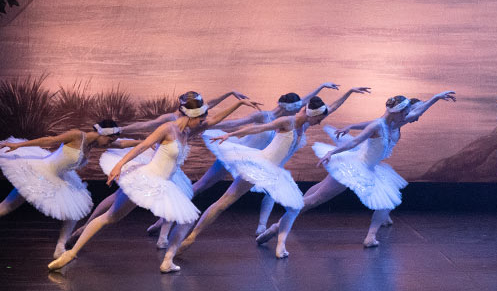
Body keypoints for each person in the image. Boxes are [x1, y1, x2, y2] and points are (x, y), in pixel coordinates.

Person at [47, 95, 261, 271]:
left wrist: (238, 103)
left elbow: (215, 121)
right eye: (201, 118)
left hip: (164, 184)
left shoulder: (189, 131)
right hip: (147, 178)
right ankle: (70, 254)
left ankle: (167, 261)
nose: (204, 122)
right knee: (111, 217)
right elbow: (142, 146)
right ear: (191, 116)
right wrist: (120, 164)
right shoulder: (168, 128)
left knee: (186, 219)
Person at [164, 88, 369, 268]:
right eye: (319, 119)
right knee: (224, 202)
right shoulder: (287, 122)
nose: (320, 123)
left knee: (294, 207)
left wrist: (349, 92)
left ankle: (277, 241)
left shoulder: (304, 125)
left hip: (274, 172)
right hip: (259, 166)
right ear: (311, 115)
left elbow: (331, 107)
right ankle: (191, 237)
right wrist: (229, 135)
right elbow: (258, 128)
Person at [256, 91, 455, 251]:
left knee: (386, 200)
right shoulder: (378, 125)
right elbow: (355, 142)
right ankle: (275, 228)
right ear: (397, 111)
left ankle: (371, 236)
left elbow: (417, 112)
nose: (409, 116)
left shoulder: (395, 122)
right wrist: (332, 152)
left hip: (370, 168)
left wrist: (436, 98)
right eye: (405, 112)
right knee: (315, 199)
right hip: (354, 167)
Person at [136, 85, 339, 237]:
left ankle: (262, 226)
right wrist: (209, 127)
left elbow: (311, 104)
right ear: (287, 108)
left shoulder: (290, 123)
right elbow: (237, 123)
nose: (300, 110)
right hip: (235, 157)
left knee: (271, 189)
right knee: (200, 186)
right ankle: (163, 221)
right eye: (297, 108)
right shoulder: (265, 117)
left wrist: (322, 87)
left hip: (254, 165)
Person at [0, 120, 127, 257]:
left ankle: (60, 247)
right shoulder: (77, 135)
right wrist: (18, 145)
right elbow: (49, 140)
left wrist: (143, 144)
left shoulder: (92, 144)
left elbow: (121, 144)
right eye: (109, 140)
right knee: (7, 206)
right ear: (102, 134)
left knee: (73, 212)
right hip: (40, 172)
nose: (109, 144)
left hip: (60, 178)